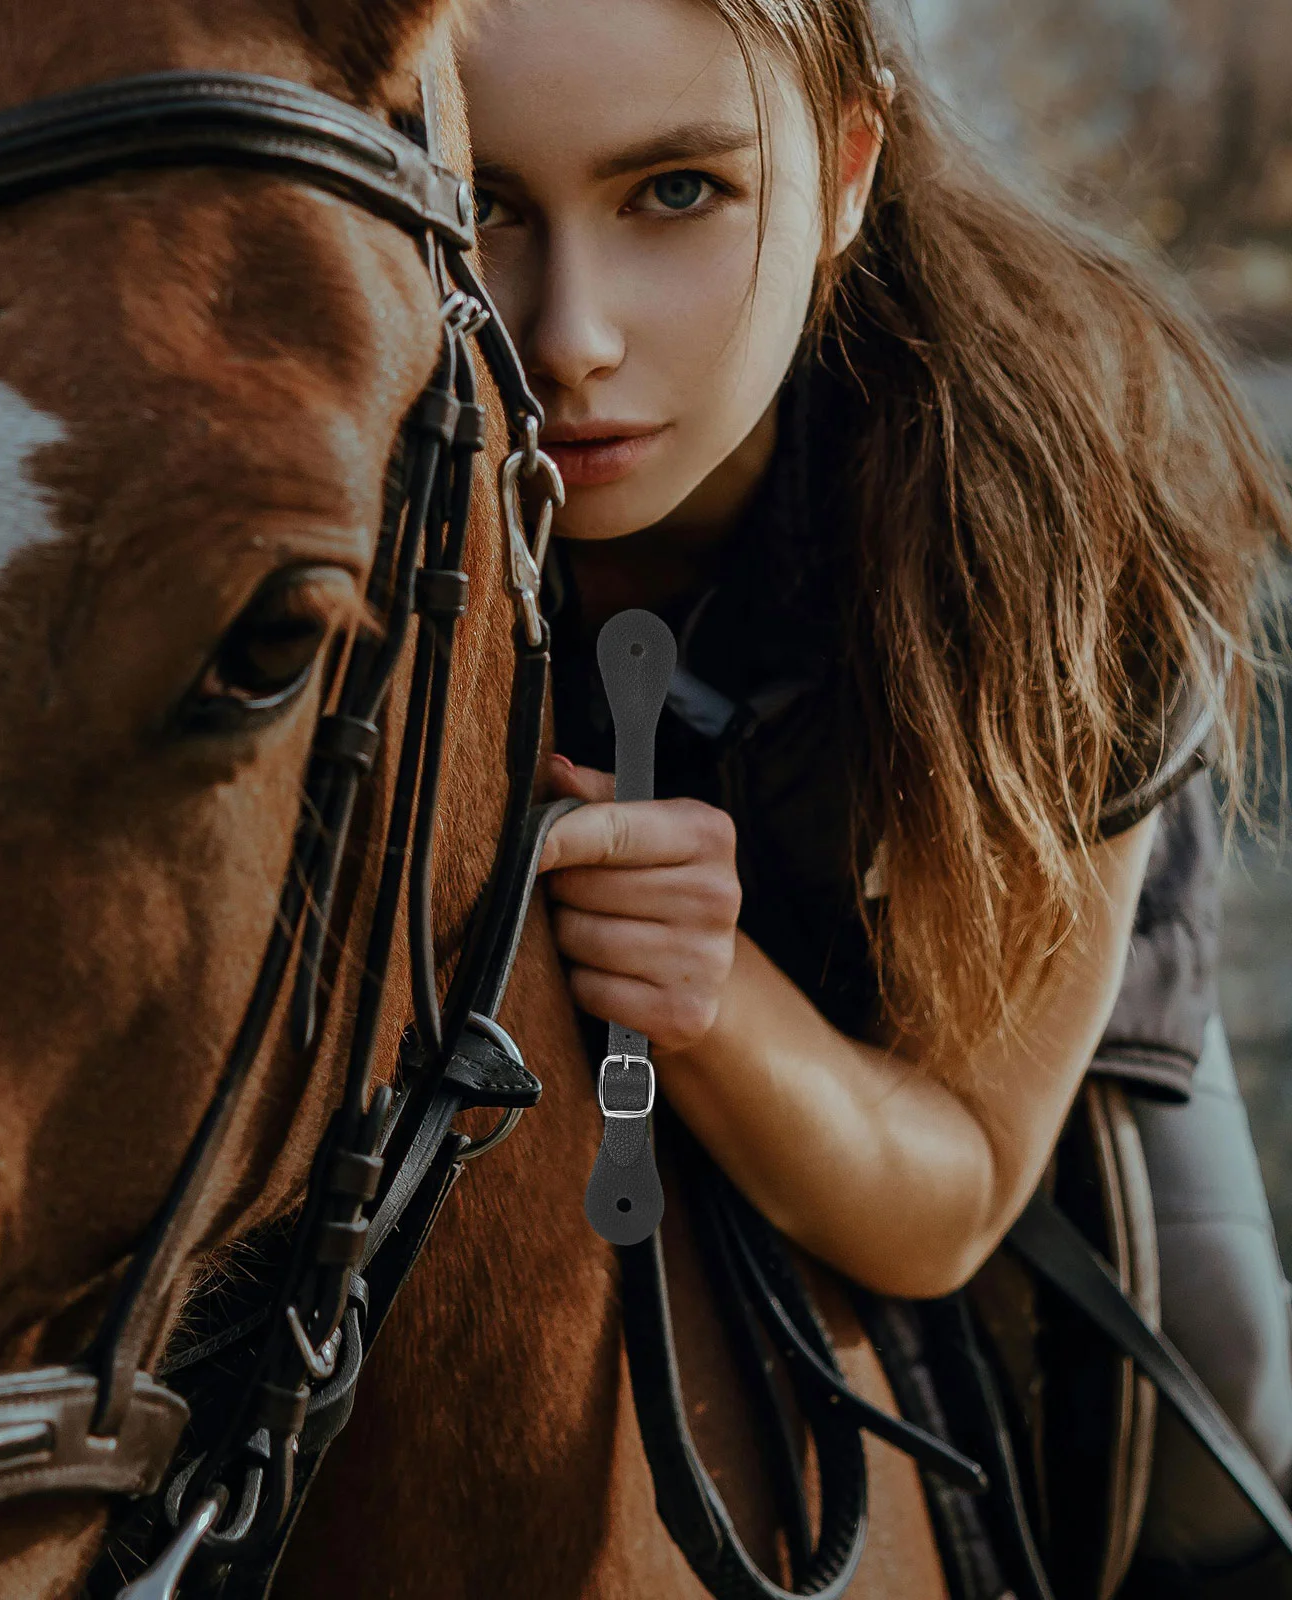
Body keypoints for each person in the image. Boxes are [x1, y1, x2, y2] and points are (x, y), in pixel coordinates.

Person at [461, 0, 1292, 1588]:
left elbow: (958, 1191)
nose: (567, 337)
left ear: (847, 174)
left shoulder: (1059, 514)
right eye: (484, 204)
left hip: (966, 1042)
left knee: (1205, 1448)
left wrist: (709, 998)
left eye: (678, 191)